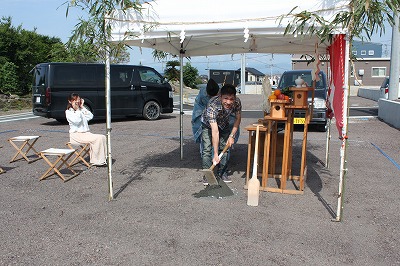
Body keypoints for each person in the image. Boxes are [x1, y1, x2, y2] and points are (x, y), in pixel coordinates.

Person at [201, 84, 241, 184]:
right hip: (208, 125)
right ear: (220, 96)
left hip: (224, 123)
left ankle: (222, 172)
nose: (228, 102)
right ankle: (208, 175)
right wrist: (215, 154)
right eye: (226, 98)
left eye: (231, 99)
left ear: (235, 98)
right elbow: (215, 131)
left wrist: (232, 136)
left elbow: (238, 118)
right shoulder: (212, 105)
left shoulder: (237, 102)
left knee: (225, 148)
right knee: (207, 149)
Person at [65, 93, 107, 166]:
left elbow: (90, 116)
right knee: (98, 138)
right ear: (70, 101)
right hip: (76, 135)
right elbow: (77, 121)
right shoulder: (68, 112)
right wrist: (78, 110)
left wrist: (82, 107)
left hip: (86, 133)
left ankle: (102, 159)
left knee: (102, 137)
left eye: (78, 99)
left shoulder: (81, 110)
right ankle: (96, 161)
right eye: (74, 100)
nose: (76, 102)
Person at [191, 79, 220, 154]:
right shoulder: (202, 93)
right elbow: (197, 110)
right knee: (204, 139)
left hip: (219, 116)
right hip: (204, 115)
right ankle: (206, 154)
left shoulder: (222, 93)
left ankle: (218, 155)